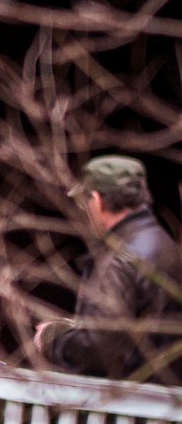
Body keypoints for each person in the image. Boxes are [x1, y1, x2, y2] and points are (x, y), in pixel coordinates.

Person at [36, 155, 182, 384]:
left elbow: (99, 351)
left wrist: (53, 341)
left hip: (130, 397)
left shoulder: (119, 258)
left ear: (97, 200)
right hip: (165, 395)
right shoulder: (165, 244)